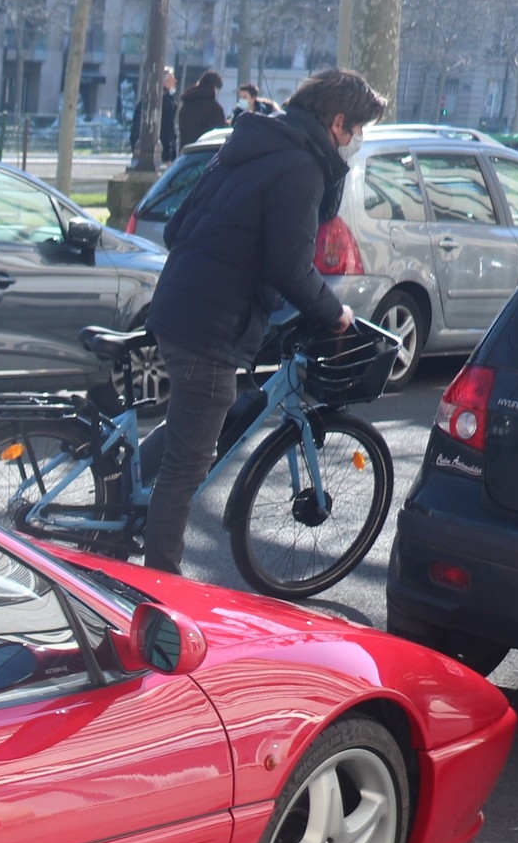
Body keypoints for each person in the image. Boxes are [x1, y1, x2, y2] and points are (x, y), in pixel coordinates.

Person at [140, 67, 387, 574]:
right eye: (358, 130)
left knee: (186, 426)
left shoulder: (248, 143)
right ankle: (159, 586)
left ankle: (118, 496)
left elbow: (177, 228)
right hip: (212, 325)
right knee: (186, 468)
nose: (357, 141)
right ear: (337, 122)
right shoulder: (301, 167)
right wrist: (334, 313)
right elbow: (290, 269)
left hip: (176, 304)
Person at [179, 68, 228, 145]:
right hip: (205, 152)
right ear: (214, 88)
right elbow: (219, 133)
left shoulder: (187, 102)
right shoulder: (214, 108)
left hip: (187, 152)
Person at [157, 65, 181, 161]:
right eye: (172, 79)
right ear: (164, 82)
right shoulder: (166, 101)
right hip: (163, 153)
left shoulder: (162, 99)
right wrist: (168, 157)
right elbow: (167, 129)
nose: (175, 81)